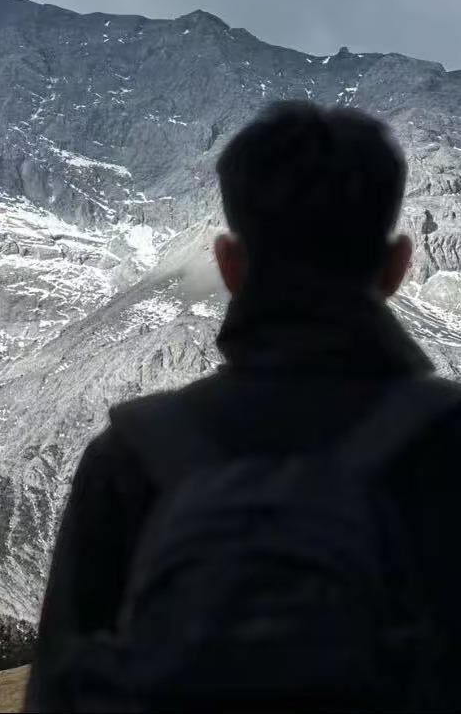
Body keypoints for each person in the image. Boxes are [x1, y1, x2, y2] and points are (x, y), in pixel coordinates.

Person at [24, 101, 461, 713]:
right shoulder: (446, 444)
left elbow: (58, 691)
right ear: (398, 265)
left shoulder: (132, 456)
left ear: (229, 264)